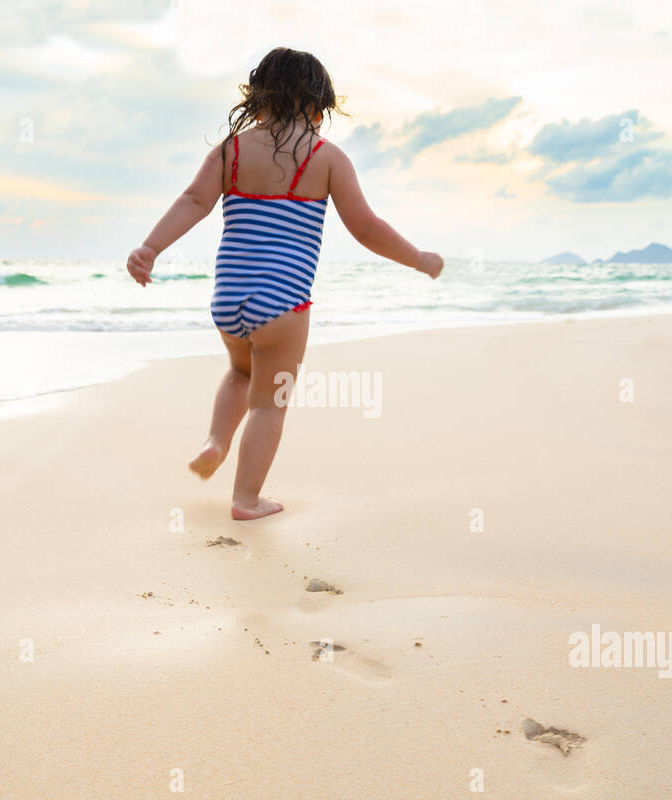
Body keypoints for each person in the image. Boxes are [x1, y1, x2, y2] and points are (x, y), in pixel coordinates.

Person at [127, 47, 443, 520]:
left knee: (239, 373)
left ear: (258, 97)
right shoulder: (326, 157)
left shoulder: (230, 151)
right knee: (269, 404)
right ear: (318, 105)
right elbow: (366, 227)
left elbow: (194, 200)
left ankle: (215, 442)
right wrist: (418, 258)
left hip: (229, 298)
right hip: (283, 304)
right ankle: (246, 500)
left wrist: (150, 248)